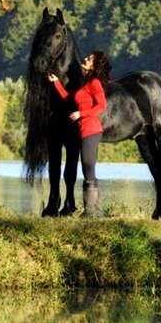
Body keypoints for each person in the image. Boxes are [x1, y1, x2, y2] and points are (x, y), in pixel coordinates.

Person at [48, 51, 111, 216]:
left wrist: (81, 114)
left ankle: (91, 211)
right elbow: (69, 99)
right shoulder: (86, 83)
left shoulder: (95, 82)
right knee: (86, 168)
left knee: (88, 167)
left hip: (91, 130)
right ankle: (92, 211)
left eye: (90, 58)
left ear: (95, 65)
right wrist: (57, 83)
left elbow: (102, 105)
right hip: (83, 130)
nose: (85, 59)